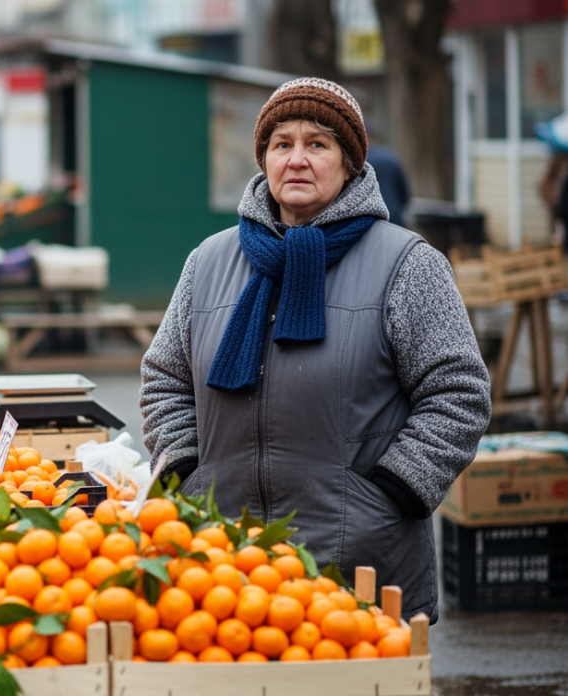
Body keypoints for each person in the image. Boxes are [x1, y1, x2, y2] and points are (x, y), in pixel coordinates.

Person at [140, 78, 490, 622]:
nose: (297, 160)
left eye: (318, 144)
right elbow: (165, 378)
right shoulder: (208, 262)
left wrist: (389, 494)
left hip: (361, 567)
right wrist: (188, 473)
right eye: (282, 144)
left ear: (349, 163)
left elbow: (458, 393)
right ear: (264, 159)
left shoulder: (407, 264)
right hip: (224, 564)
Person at [365, 126, 411, 225]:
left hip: (368, 219)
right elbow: (404, 194)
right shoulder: (390, 157)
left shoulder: (359, 162)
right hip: (394, 217)